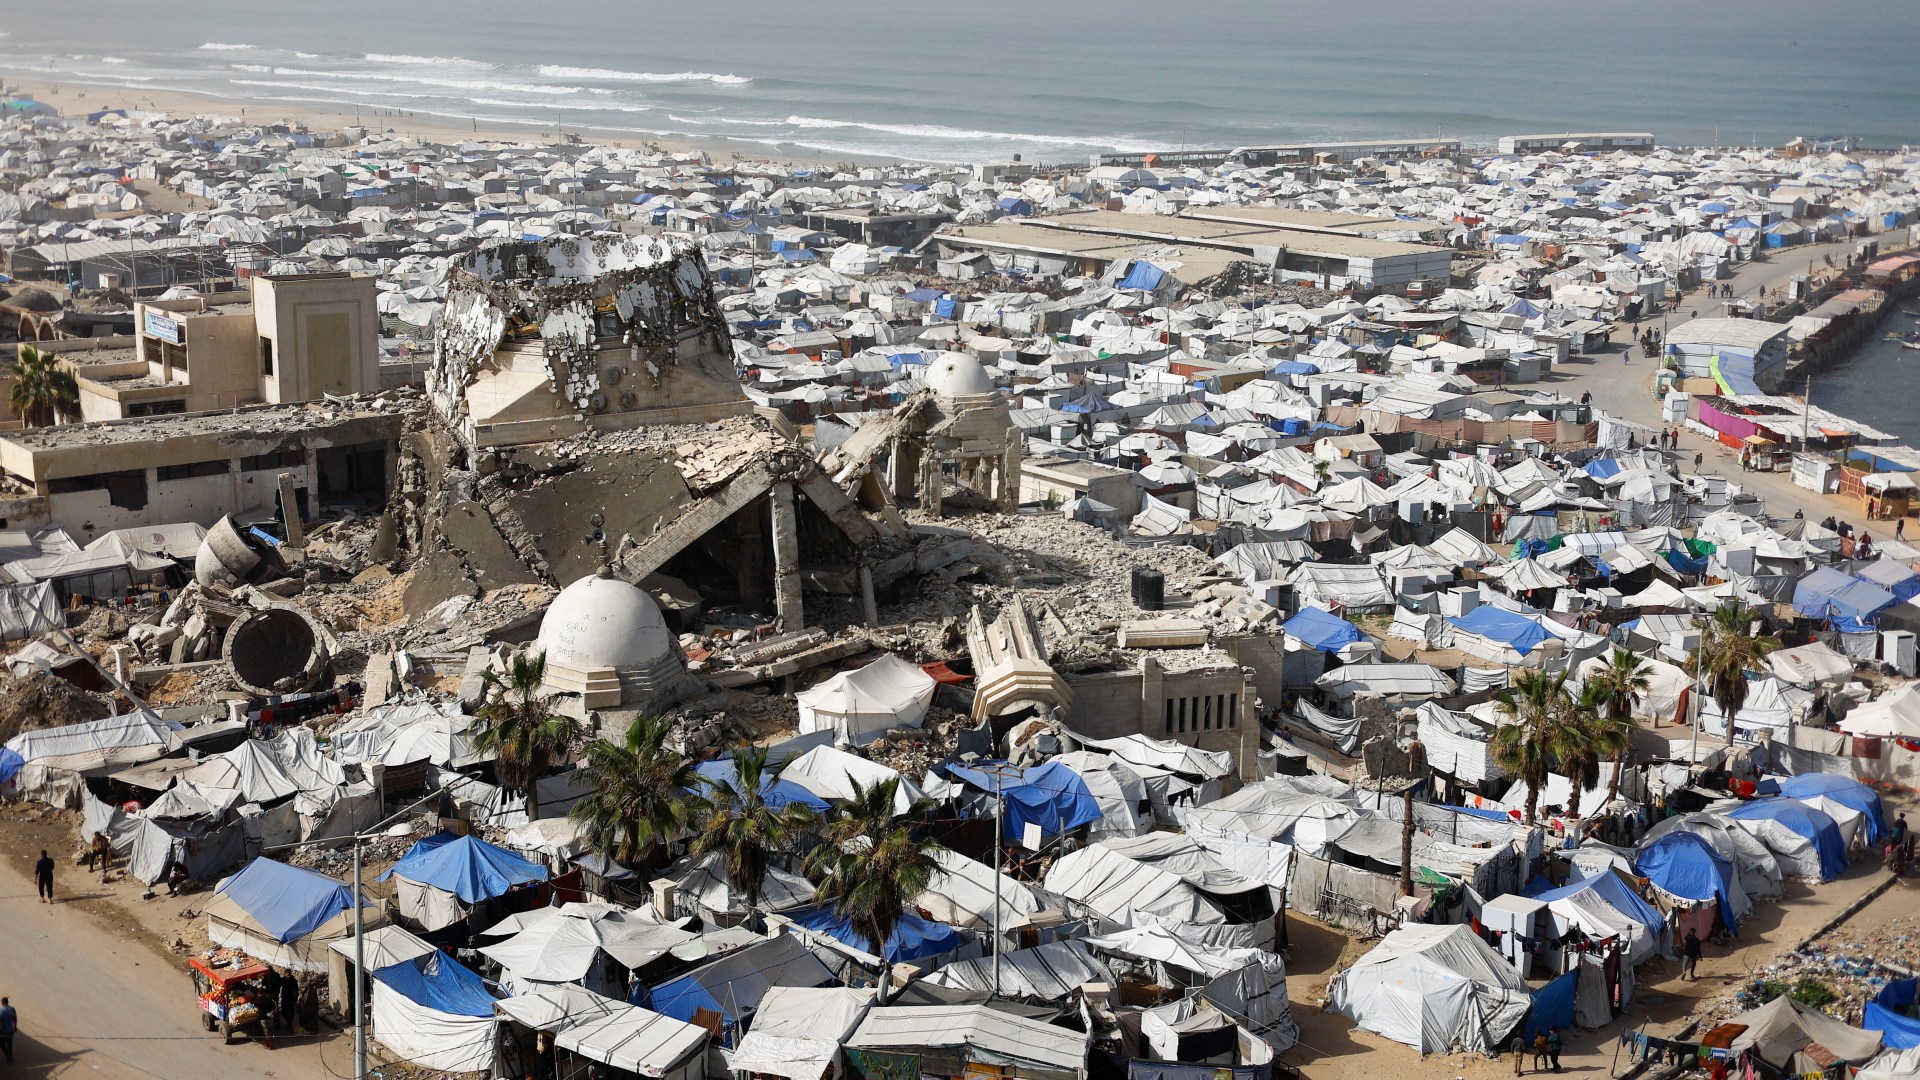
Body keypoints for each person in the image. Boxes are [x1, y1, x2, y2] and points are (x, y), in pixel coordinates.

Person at [0, 996, 14, 1063]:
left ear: (2, 1003)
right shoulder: (12, 1009)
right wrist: (15, 1027)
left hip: (4, 1031)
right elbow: (15, 1018)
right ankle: (10, 1058)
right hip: (11, 1031)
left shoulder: (1, 1010)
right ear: (8, 1002)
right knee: (9, 1045)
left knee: (1, 1044)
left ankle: (8, 1055)